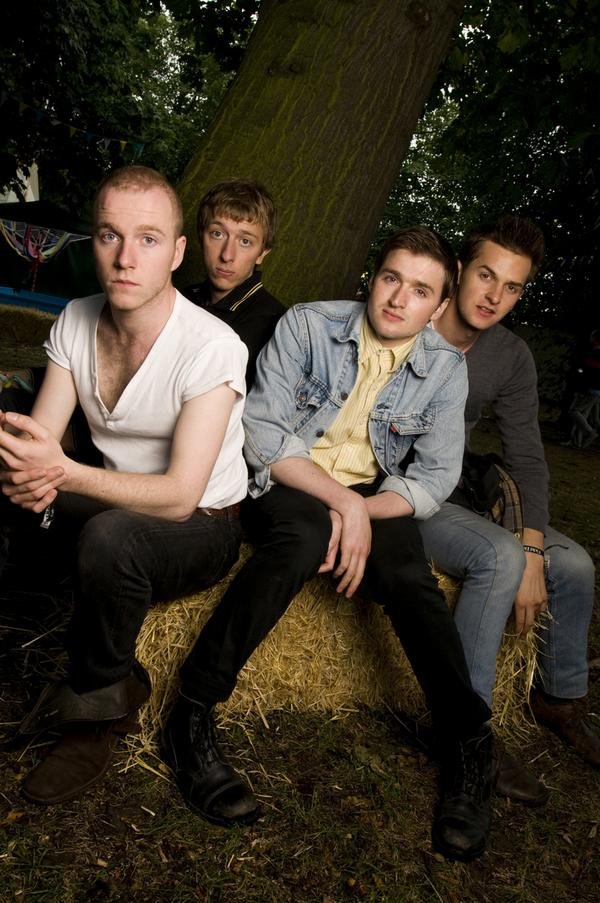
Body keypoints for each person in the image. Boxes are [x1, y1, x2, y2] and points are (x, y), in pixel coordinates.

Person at [161, 226, 494, 863]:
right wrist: (341, 503)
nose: (399, 298)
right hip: (291, 474)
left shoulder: (446, 369)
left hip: (373, 494)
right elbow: (262, 431)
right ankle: (192, 712)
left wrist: (361, 508)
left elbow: (433, 477)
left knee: (408, 575)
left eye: (420, 290)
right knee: (300, 539)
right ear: (372, 277)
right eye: (391, 278)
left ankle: (469, 740)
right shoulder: (309, 325)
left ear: (439, 306)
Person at [0, 165, 249, 804]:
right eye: (110, 235)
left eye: (148, 239)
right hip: (109, 494)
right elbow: (43, 439)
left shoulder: (212, 346)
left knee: (111, 539)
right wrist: (24, 469)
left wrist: (58, 471)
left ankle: (96, 713)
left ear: (177, 252)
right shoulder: (77, 318)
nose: (126, 258)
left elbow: (181, 494)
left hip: (202, 525)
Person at [419, 215, 598, 794]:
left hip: (465, 490)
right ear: (458, 270)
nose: (494, 296)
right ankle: (469, 732)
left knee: (575, 565)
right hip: (408, 493)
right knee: (499, 556)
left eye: (513, 287)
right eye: (486, 275)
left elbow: (527, 457)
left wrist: (535, 547)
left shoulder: (510, 355)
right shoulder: (410, 318)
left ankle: (558, 699)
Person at [185, 178, 285, 387]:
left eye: (245, 241)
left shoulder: (276, 327)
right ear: (201, 236)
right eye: (218, 234)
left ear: (262, 253)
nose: (227, 255)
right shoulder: (179, 299)